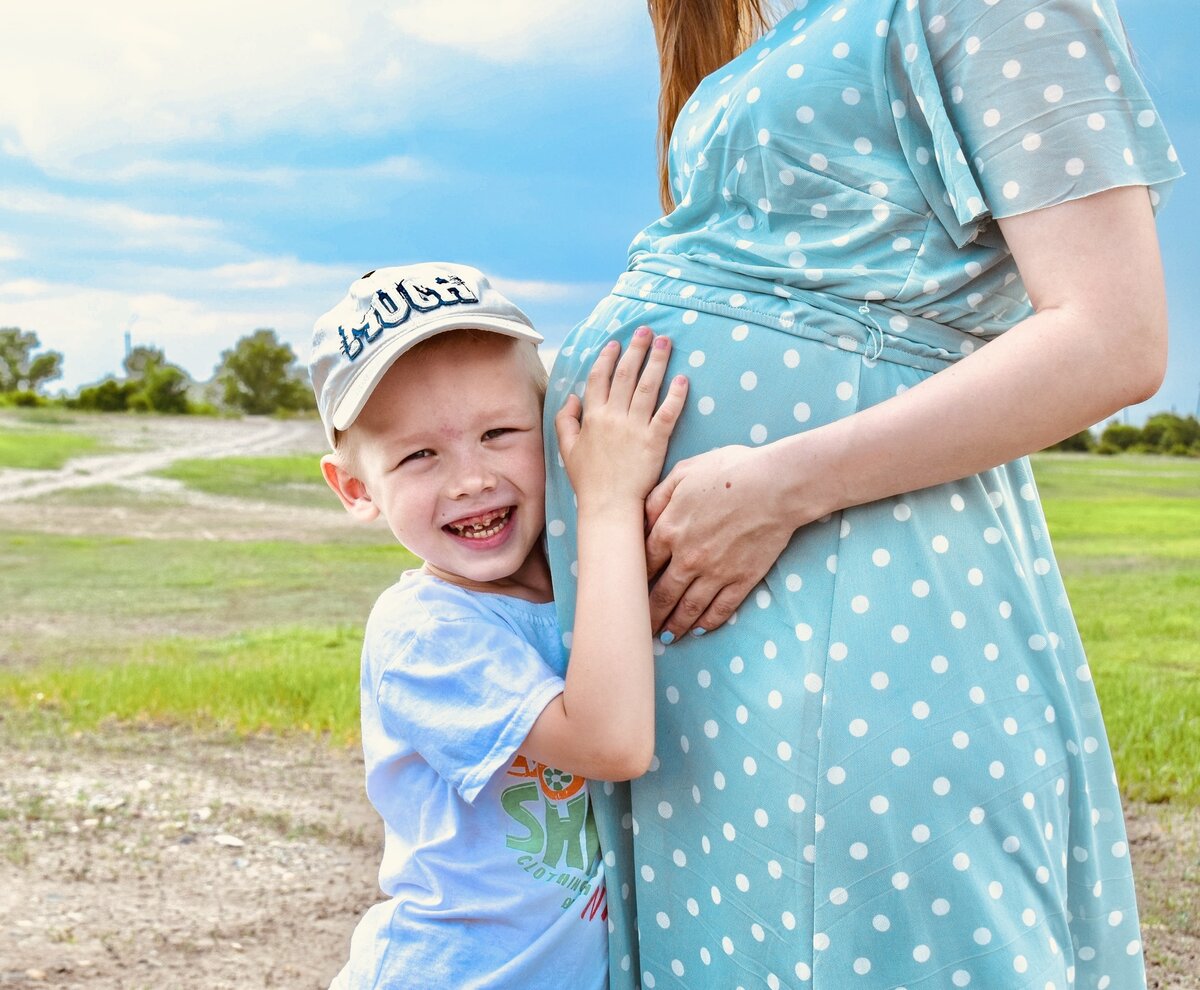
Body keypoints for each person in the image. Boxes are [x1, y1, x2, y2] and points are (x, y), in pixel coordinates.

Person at [542, 1, 1183, 987]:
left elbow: (1114, 337)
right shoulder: (803, 25)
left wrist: (773, 489)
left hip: (847, 598)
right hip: (720, 638)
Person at [309, 262, 688, 989]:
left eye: (499, 431)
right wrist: (609, 500)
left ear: (554, 426)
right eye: (419, 454)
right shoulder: (423, 631)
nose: (471, 478)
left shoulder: (579, 580)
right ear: (355, 488)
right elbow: (611, 743)